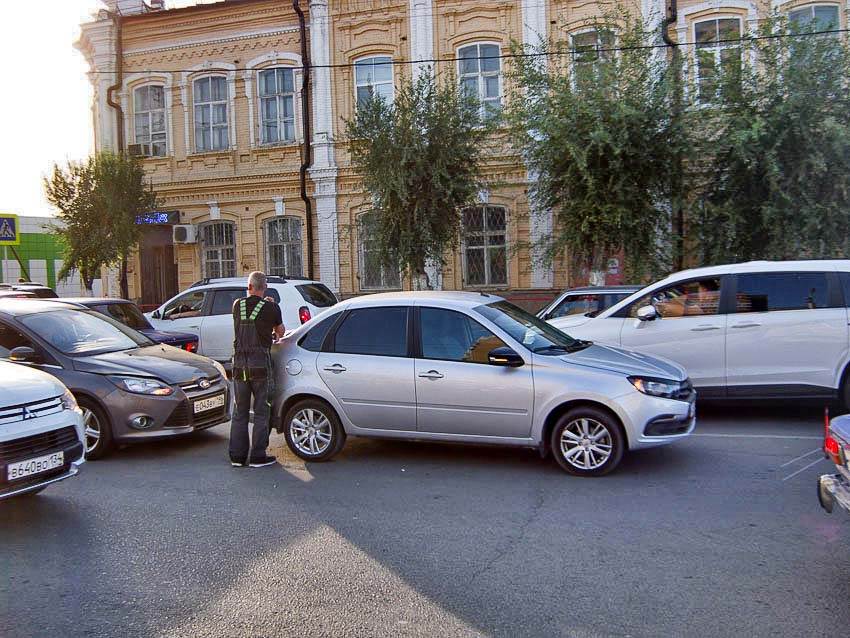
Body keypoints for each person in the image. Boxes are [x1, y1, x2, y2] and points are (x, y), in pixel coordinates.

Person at [229, 271, 285, 468]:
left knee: (240, 412)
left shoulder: (237, 305)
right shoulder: (272, 308)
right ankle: (257, 457)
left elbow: (249, 310)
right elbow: (280, 332)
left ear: (249, 287)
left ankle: (237, 456)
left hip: (238, 368)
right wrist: (271, 305)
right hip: (260, 366)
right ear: (265, 287)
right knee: (261, 411)